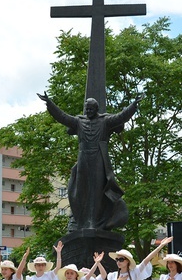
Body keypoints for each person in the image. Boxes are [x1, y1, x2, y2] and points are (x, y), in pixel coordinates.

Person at [38, 92, 142, 231]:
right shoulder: (79, 121)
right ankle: (81, 221)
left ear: (96, 109)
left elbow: (121, 117)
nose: (88, 111)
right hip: (83, 159)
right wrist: (49, 103)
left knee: (96, 191)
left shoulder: (105, 121)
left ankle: (94, 222)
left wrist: (134, 105)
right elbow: (62, 117)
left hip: (98, 159)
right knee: (80, 191)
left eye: (91, 109)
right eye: (86, 109)